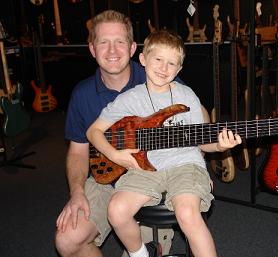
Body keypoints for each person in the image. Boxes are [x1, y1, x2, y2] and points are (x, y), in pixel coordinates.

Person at [86, 29, 242, 257]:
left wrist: (219, 146)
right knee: (116, 210)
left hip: (185, 164)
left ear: (179, 69)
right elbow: (94, 131)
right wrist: (115, 155)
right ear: (142, 59)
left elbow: (201, 142)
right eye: (158, 59)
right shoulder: (130, 98)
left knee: (188, 214)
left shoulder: (187, 95)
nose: (163, 68)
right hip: (144, 168)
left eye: (172, 64)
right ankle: (139, 253)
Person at [55, 10, 175, 257]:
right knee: (67, 241)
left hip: (154, 175)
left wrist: (200, 162)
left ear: (132, 48)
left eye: (119, 42)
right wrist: (76, 194)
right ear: (92, 49)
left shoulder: (156, 75)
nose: (112, 51)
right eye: (103, 42)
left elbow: (195, 113)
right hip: (105, 178)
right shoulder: (82, 94)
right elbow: (77, 152)